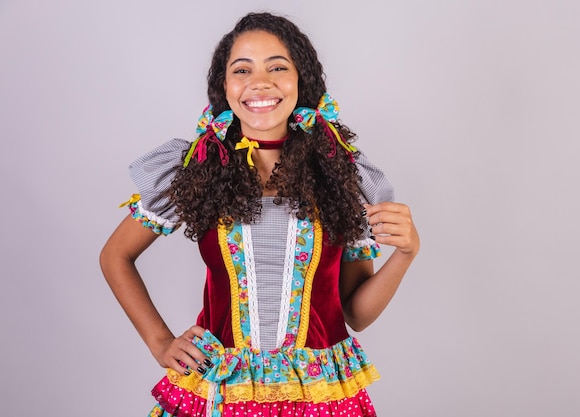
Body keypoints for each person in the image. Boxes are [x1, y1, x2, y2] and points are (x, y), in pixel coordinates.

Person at [100, 11, 419, 417]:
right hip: (220, 390)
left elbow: (355, 313)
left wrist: (406, 254)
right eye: (242, 69)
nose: (259, 82)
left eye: (277, 67)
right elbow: (115, 256)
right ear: (225, 86)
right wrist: (160, 341)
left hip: (318, 396)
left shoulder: (342, 177)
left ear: (301, 81)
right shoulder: (200, 168)